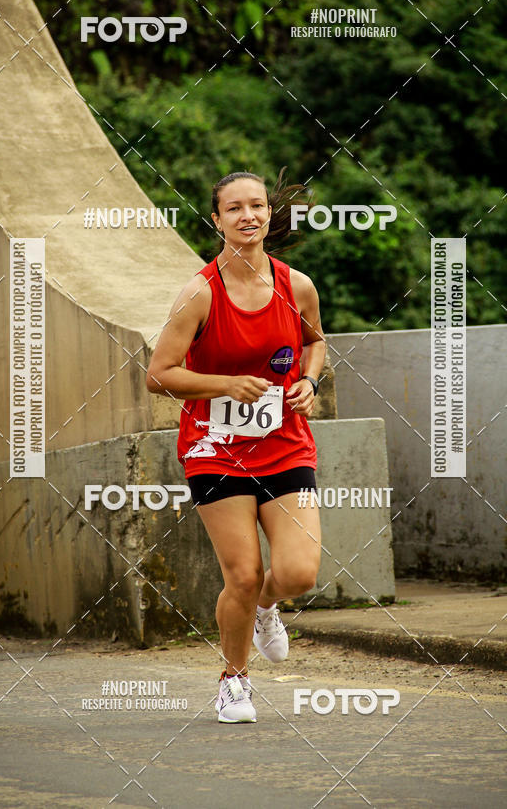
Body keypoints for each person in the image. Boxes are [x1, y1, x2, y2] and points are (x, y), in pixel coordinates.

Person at [146, 169, 326, 723]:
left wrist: (309, 383)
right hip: (215, 446)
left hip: (284, 444)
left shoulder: (296, 285)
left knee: (298, 574)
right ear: (217, 219)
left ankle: (268, 608)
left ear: (269, 214)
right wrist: (225, 385)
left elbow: (316, 342)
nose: (248, 216)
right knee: (242, 574)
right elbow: (158, 374)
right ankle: (234, 680)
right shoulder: (199, 292)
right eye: (234, 209)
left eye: (257, 206)